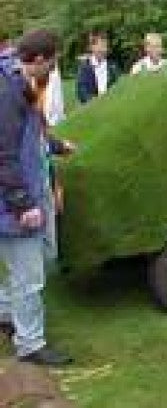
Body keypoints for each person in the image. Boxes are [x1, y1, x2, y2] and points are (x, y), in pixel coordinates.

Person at [0, 30, 74, 366]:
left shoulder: (18, 81)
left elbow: (32, 130)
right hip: (13, 202)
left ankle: (5, 313)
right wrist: (23, 203)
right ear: (40, 60)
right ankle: (30, 345)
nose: (55, 67)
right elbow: (4, 153)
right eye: (54, 61)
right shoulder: (9, 91)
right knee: (30, 275)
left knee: (27, 266)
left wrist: (57, 146)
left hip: (19, 193)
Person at [76, 31, 120, 103]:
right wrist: (94, 101)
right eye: (101, 46)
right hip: (94, 108)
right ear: (92, 47)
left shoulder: (113, 66)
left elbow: (119, 86)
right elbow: (82, 91)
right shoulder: (85, 68)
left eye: (105, 46)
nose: (104, 50)